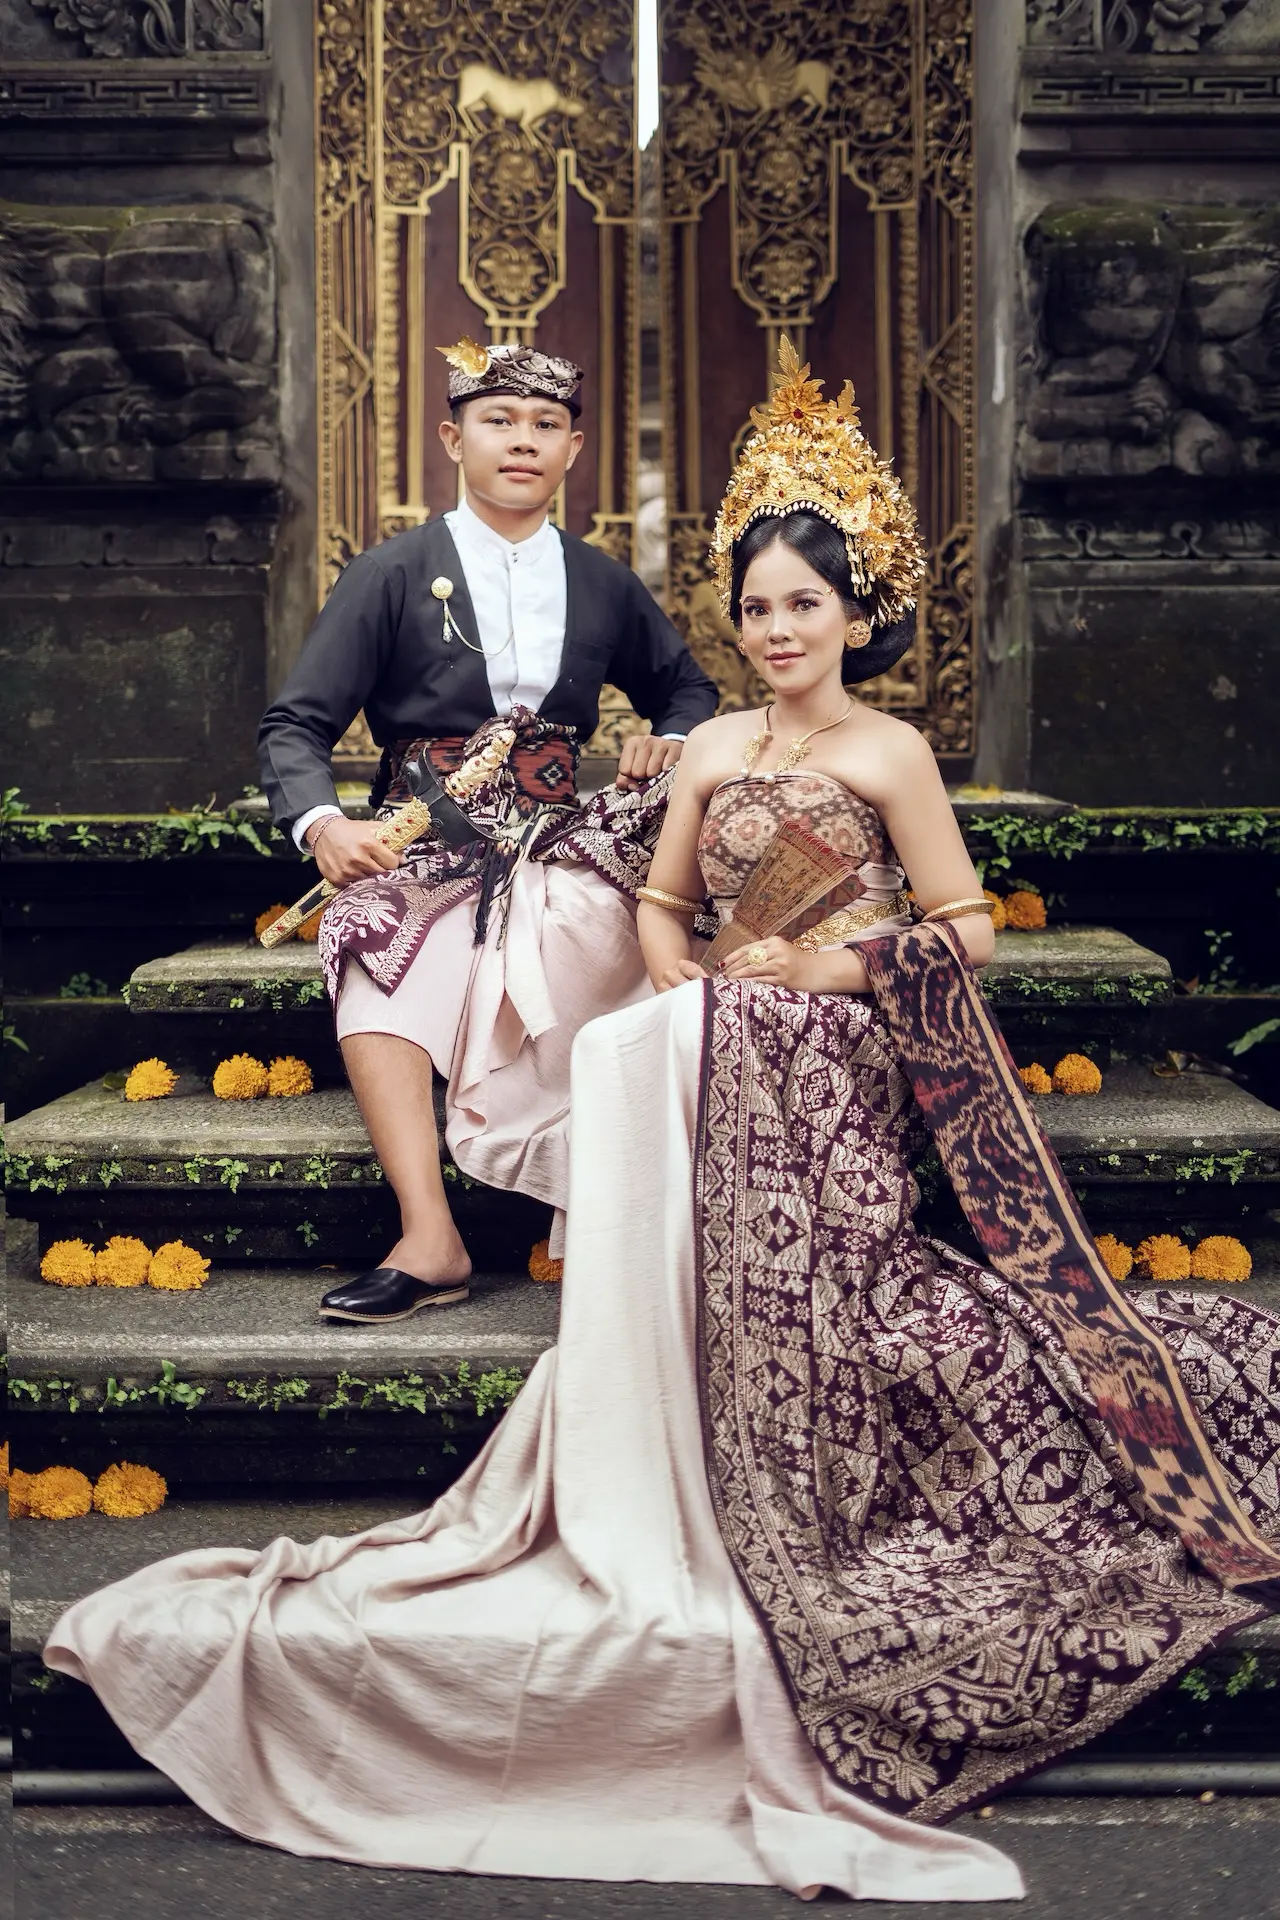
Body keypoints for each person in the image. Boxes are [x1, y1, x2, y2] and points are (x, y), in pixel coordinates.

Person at [45, 343, 1280, 1899]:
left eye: (803, 605)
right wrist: (368, 841)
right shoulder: (415, 585)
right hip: (451, 854)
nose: (776, 629)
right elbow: (597, 862)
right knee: (453, 968)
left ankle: (640, 1231)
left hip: (757, 969)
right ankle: (448, 1232)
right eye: (756, 606)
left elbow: (911, 890)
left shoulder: (803, 702)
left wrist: (792, 930)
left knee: (597, 967)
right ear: (457, 435)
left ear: (855, 616)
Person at [257, 338, 717, 1322]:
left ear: (573, 449)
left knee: (660, 920)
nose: (522, 441)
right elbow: (295, 725)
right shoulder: (390, 573)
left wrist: (671, 740)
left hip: (562, 841)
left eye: (545, 425)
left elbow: (686, 689)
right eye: (499, 421)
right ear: (451, 437)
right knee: (367, 927)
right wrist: (322, 825)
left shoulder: (601, 582)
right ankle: (430, 1236)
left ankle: (645, 1211)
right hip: (428, 843)